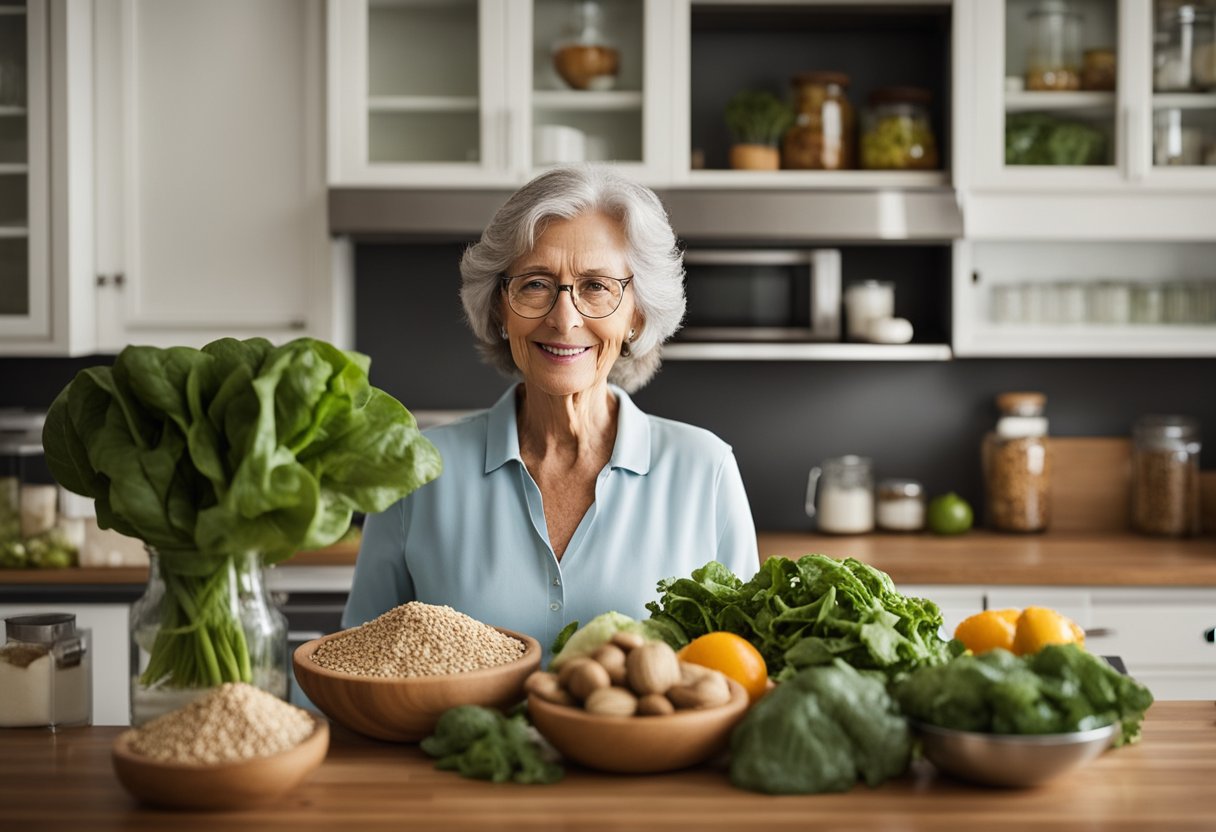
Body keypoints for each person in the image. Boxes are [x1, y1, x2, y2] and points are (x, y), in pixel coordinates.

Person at [342, 165, 758, 653]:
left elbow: (744, 671)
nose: (564, 318)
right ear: (500, 308)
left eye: (597, 286)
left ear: (637, 314)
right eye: (535, 283)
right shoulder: (413, 474)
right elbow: (352, 664)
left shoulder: (704, 470)